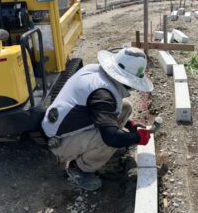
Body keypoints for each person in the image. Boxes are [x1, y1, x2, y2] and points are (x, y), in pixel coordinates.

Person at [41, 47, 154, 191]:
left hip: (66, 125)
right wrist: (137, 138)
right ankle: (79, 169)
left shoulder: (96, 71)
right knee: (107, 141)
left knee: (125, 107)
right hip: (58, 141)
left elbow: (105, 110)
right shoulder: (102, 95)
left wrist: (131, 124)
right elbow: (110, 138)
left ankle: (95, 151)